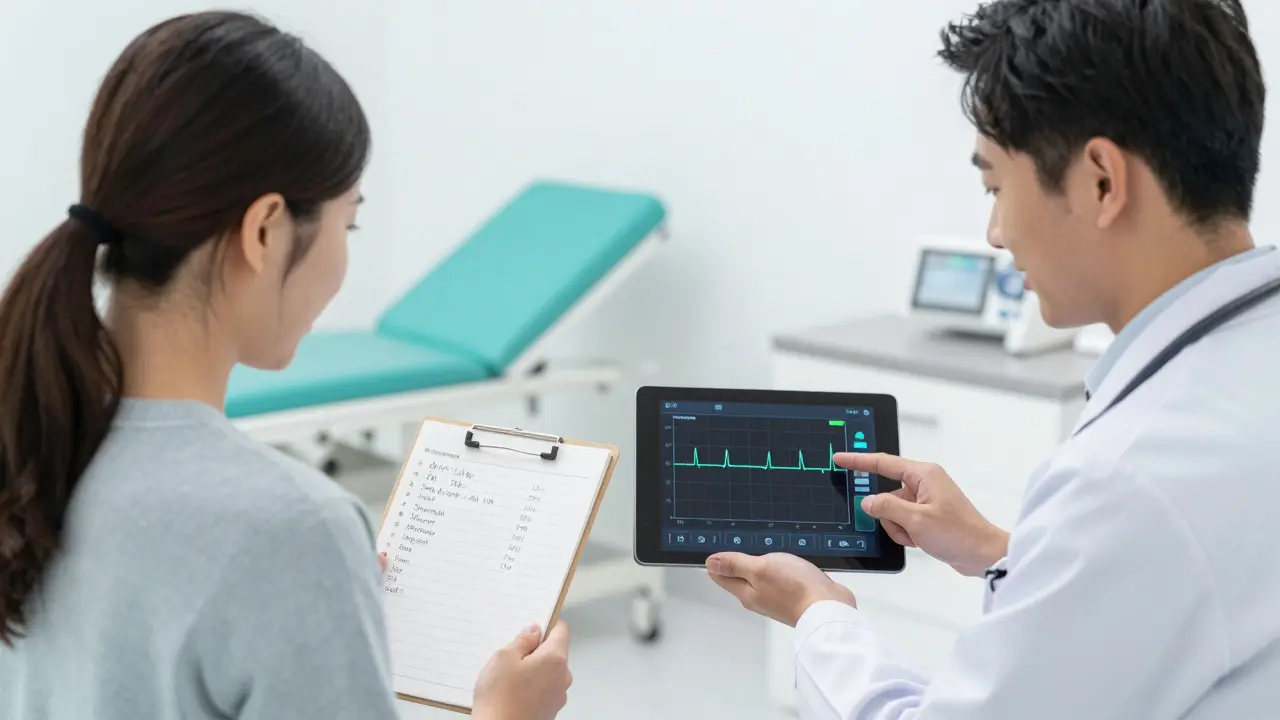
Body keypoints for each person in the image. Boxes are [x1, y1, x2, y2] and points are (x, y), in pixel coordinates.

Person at [707, 1, 1280, 717]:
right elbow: (1184, 589)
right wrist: (998, 548)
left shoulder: (1129, 479)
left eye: (994, 187)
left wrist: (820, 614)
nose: (996, 232)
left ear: (1102, 180)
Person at [0, 12, 571, 720]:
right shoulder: (290, 527)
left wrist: (316, 596)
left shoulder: (30, 445)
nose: (342, 257)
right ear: (266, 230)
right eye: (348, 223)